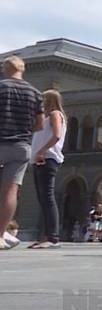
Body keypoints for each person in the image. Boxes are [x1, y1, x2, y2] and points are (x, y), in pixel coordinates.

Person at [0, 56, 44, 251]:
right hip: (21, 146)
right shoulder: (35, 93)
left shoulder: (1, 87)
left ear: (5, 69)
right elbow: (40, 124)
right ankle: (0, 235)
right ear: (22, 70)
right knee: (11, 191)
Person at [29, 89, 66, 249]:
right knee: (43, 199)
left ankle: (52, 236)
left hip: (47, 159)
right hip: (41, 160)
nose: (41, 103)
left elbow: (56, 135)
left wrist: (42, 151)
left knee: (48, 198)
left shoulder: (55, 114)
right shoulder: (48, 116)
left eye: (43, 100)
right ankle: (47, 235)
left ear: (50, 100)